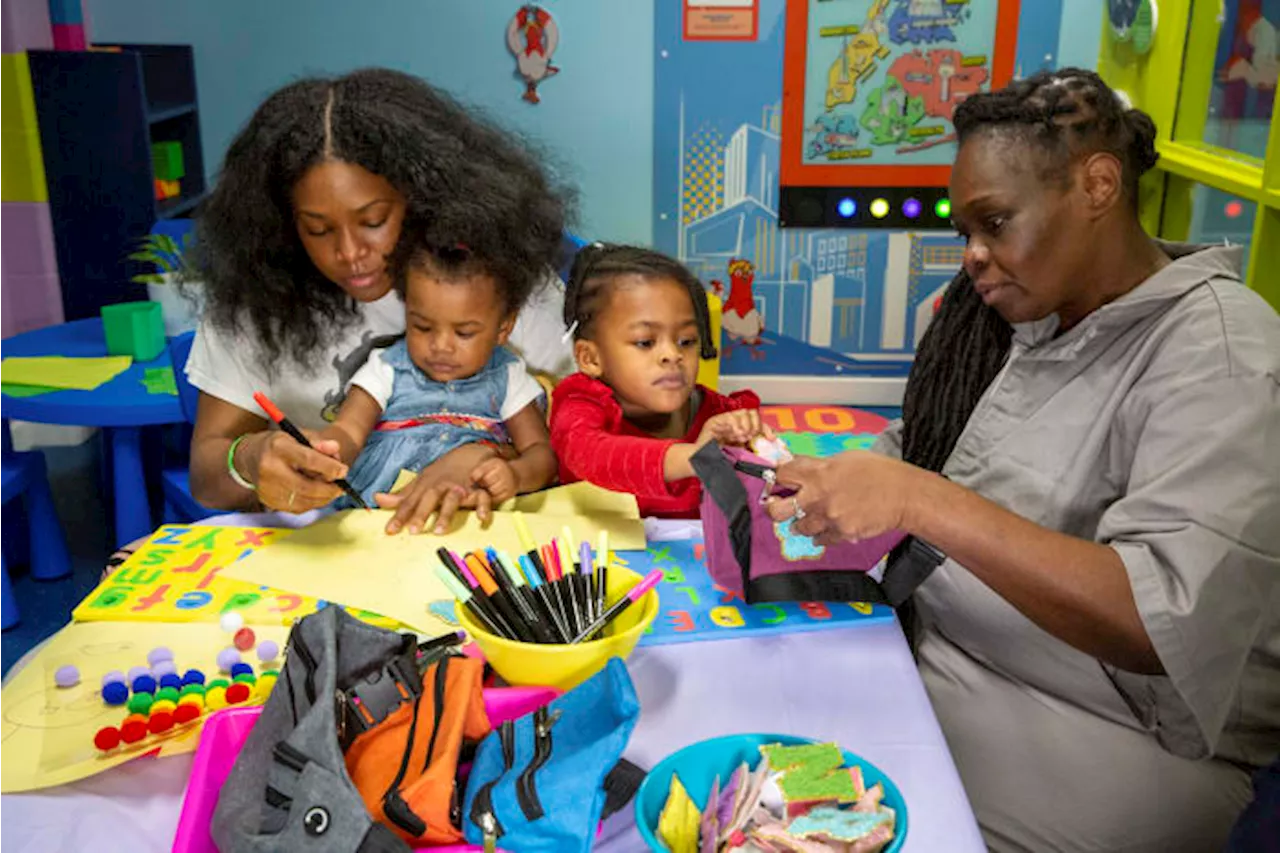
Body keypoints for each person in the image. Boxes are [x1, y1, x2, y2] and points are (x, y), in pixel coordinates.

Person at [765, 69, 1280, 851]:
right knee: (754, 763)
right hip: (938, 653)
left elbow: (1158, 620)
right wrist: (829, 474)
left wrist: (918, 499)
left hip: (1106, 733)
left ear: (1098, 185)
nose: (973, 255)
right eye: (965, 230)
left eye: (995, 223)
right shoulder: (1021, 315)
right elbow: (933, 448)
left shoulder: (1223, 352)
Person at [183, 68, 573, 533]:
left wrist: (485, 455)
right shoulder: (256, 299)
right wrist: (249, 458)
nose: (349, 253)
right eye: (318, 229)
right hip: (339, 545)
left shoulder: (495, 280)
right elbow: (207, 478)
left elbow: (587, 442)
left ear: (420, 197)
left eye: (373, 220)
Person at [321, 234, 556, 531]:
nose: (441, 346)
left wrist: (516, 475)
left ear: (503, 328)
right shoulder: (387, 367)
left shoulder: (508, 377)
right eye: (422, 326)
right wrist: (327, 449)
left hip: (467, 515)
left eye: (464, 333)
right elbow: (348, 431)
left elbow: (541, 453)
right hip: (377, 509)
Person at [549, 244, 770, 518]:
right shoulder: (580, 405)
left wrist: (754, 449)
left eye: (686, 341)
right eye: (645, 342)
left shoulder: (716, 416)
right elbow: (592, 454)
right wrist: (695, 456)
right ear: (591, 358)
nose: (673, 355)